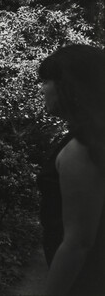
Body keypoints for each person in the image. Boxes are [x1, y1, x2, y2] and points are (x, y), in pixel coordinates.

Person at [37, 44, 105, 295]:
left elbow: (78, 243)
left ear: (69, 87)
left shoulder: (82, 149)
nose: (42, 90)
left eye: (46, 81)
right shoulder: (92, 139)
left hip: (82, 281)